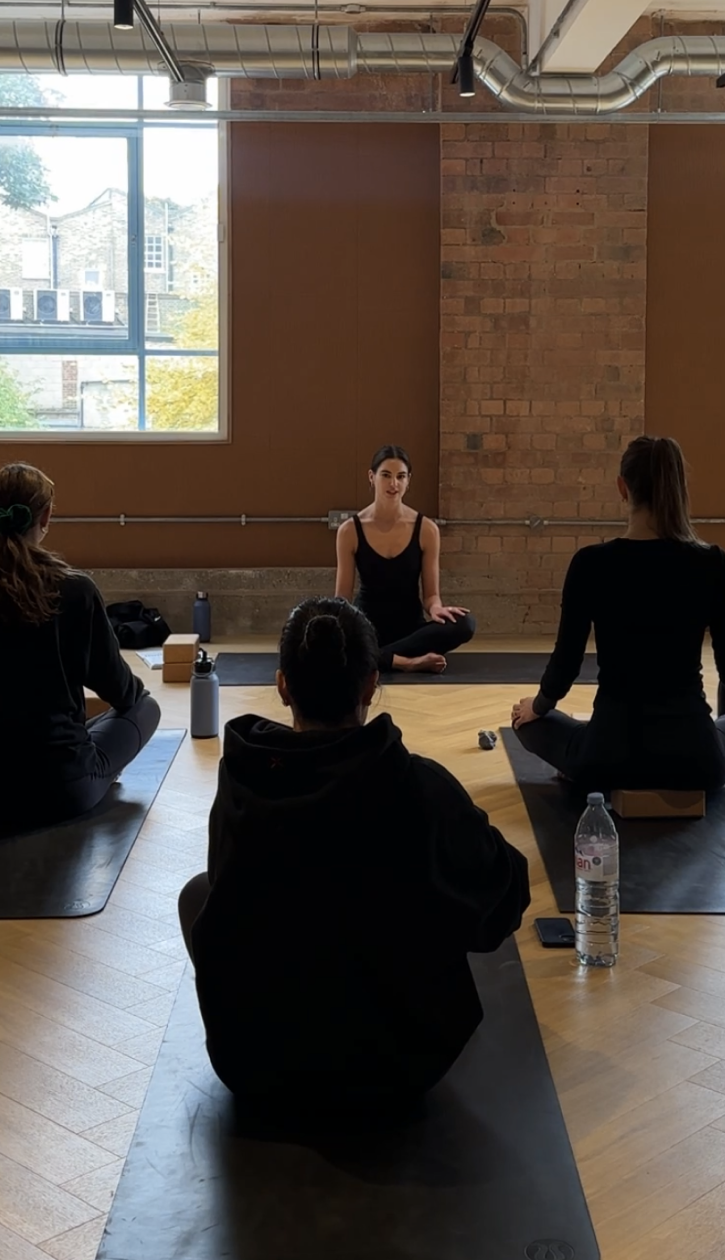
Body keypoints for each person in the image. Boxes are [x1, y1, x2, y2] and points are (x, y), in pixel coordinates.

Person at [178, 597, 529, 1114]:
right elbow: (505, 902)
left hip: (253, 1068)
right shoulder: (418, 783)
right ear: (370, 685)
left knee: (199, 894)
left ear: (281, 685)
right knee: (440, 892)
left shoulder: (243, 775)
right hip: (396, 1072)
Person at [511, 436, 725, 793]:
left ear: (622, 488)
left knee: (526, 723)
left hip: (606, 760)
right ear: (679, 487)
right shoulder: (714, 563)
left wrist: (536, 707)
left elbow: (566, 662)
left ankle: (573, 748)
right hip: (697, 763)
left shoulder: (589, 564)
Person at [0, 462, 161, 831]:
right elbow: (121, 692)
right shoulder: (73, 589)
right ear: (46, 516)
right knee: (145, 707)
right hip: (59, 788)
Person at [335, 444, 476, 673]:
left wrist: (437, 608)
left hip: (411, 629)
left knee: (465, 623)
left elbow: (431, 595)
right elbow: (342, 597)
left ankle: (375, 658)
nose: (394, 484)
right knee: (329, 639)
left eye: (401, 476)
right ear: (372, 477)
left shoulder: (426, 529)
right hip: (368, 627)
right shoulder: (349, 530)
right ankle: (406, 661)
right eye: (386, 475)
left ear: (408, 480)